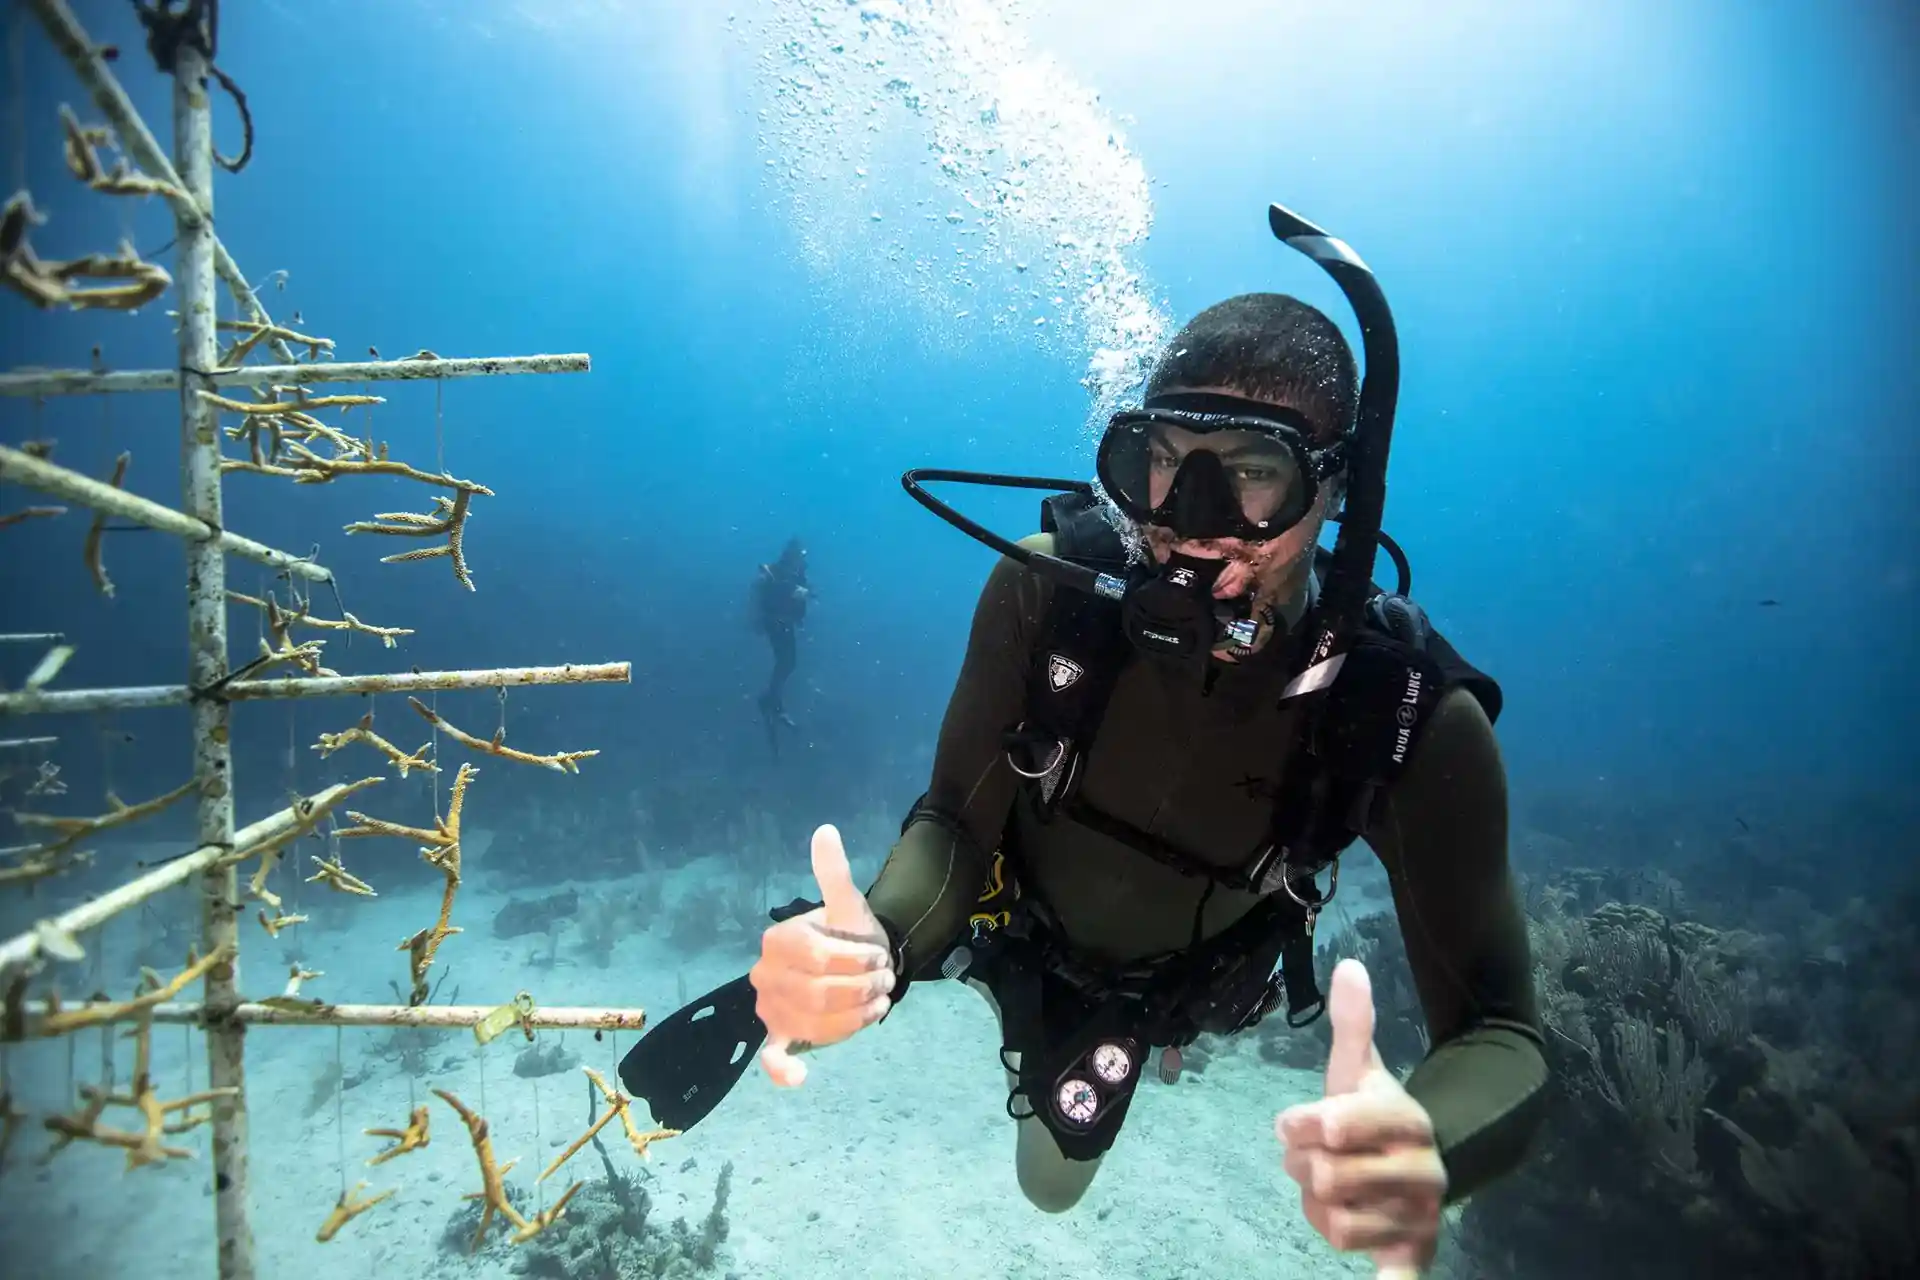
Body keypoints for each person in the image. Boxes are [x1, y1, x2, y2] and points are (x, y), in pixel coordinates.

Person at [629, 207, 1547, 1273]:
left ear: (1335, 487)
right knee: (1001, 1106)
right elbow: (953, 825)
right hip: (1002, 912)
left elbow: (1502, 1033)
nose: (1191, 518)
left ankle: (1093, 1047)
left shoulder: (1406, 716)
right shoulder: (1045, 592)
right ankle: (950, 976)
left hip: (1164, 987)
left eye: (1255, 470)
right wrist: (871, 943)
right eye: (1161, 460)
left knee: (1050, 1186)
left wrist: (1426, 1140)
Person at [750, 537, 810, 754]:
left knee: (788, 662)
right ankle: (771, 701)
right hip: (775, 624)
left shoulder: (796, 574)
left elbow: (799, 603)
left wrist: (802, 593)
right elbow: (767, 590)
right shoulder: (775, 571)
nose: (801, 559)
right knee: (786, 661)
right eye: (799, 554)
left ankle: (772, 700)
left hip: (784, 624)